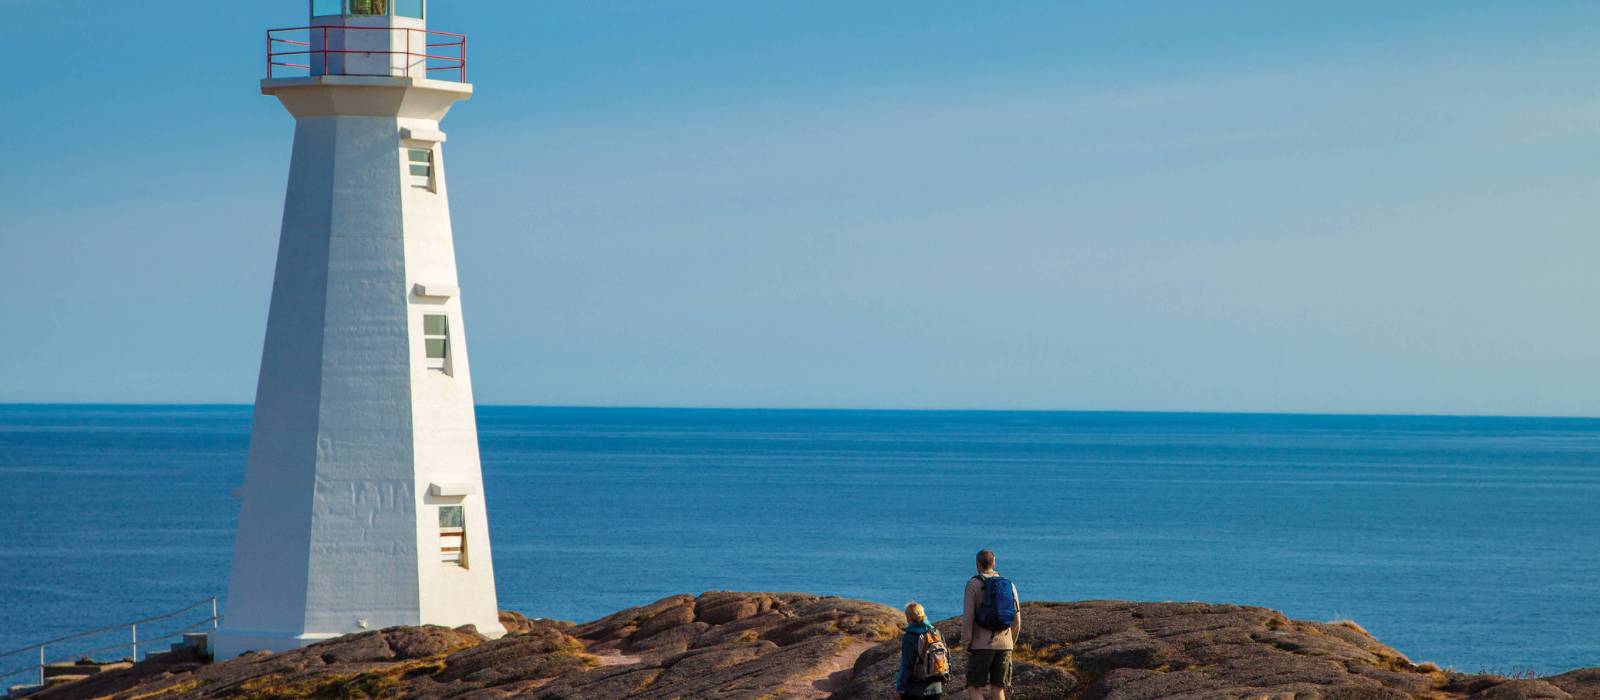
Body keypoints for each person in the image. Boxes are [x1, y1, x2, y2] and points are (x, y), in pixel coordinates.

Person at [962, 549, 1020, 700]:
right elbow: (1017, 620)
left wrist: (966, 642)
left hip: (981, 644)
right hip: (1005, 643)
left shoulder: (973, 584)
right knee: (998, 688)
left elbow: (968, 616)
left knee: (973, 687)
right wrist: (1011, 642)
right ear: (994, 563)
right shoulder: (1009, 585)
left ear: (977, 564)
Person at [897, 602, 945, 699]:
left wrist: (900, 687)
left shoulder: (909, 637)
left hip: (914, 689)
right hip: (935, 687)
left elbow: (907, 665)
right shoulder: (936, 632)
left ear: (908, 618)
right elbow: (946, 657)